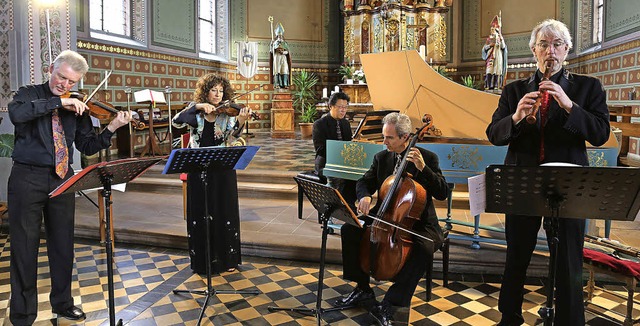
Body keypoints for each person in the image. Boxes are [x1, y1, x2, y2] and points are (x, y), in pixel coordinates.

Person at [485, 19, 610, 326]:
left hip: (568, 188)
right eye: (543, 44)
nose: (550, 51)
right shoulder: (514, 90)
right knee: (516, 257)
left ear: (567, 50)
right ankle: (509, 318)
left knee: (568, 261)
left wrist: (569, 106)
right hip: (523, 185)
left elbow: (600, 134)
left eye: (557, 44)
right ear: (533, 50)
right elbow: (494, 134)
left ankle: (569, 320)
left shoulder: (587, 88)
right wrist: (516, 116)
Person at [7, 50, 132, 324]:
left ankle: (62, 303)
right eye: (61, 77)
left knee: (63, 245)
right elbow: (17, 115)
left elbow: (87, 146)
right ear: (51, 68)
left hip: (63, 178)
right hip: (27, 178)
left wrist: (112, 127)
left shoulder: (78, 106)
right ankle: (22, 314)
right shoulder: (29, 94)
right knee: (24, 248)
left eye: (72, 82)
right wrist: (57, 103)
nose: (65, 85)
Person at [335, 112, 449, 326]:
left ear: (405, 137)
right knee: (349, 229)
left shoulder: (427, 158)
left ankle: (393, 302)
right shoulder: (382, 158)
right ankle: (362, 288)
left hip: (419, 222)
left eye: (389, 138)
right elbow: (363, 181)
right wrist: (365, 196)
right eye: (383, 136)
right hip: (385, 216)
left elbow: (442, 192)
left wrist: (423, 169)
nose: (383, 141)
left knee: (424, 247)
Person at [172, 73, 252, 274]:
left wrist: (241, 120)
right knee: (201, 212)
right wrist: (198, 106)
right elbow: (176, 122)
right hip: (198, 170)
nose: (218, 94)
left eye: (221, 91)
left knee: (224, 211)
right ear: (205, 92)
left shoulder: (226, 113)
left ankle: (228, 259)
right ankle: (203, 262)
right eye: (213, 90)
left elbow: (233, 137)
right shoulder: (195, 113)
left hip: (223, 168)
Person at [312, 91, 357, 211]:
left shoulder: (346, 123)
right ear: (330, 106)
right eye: (340, 107)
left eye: (345, 107)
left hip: (343, 162)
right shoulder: (319, 124)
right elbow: (320, 149)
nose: (343, 110)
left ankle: (349, 206)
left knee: (358, 176)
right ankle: (330, 211)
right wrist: (339, 152)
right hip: (325, 163)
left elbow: (348, 145)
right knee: (338, 177)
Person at [482, 13, 508, 90]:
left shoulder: (500, 38)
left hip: (498, 56)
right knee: (489, 70)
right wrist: (490, 45)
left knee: (497, 71)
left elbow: (503, 47)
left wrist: (501, 39)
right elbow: (484, 48)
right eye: (492, 29)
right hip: (491, 56)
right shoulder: (489, 39)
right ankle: (489, 85)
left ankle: (496, 85)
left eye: (494, 30)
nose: (492, 31)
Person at [270, 22, 291, 89]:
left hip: (283, 57)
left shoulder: (284, 43)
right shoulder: (274, 43)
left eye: (280, 36)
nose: (280, 37)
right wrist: (271, 45)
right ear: (277, 36)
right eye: (278, 36)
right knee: (277, 70)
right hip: (277, 57)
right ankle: (277, 83)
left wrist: (283, 52)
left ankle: (284, 84)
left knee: (284, 69)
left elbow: (288, 51)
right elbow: (271, 51)